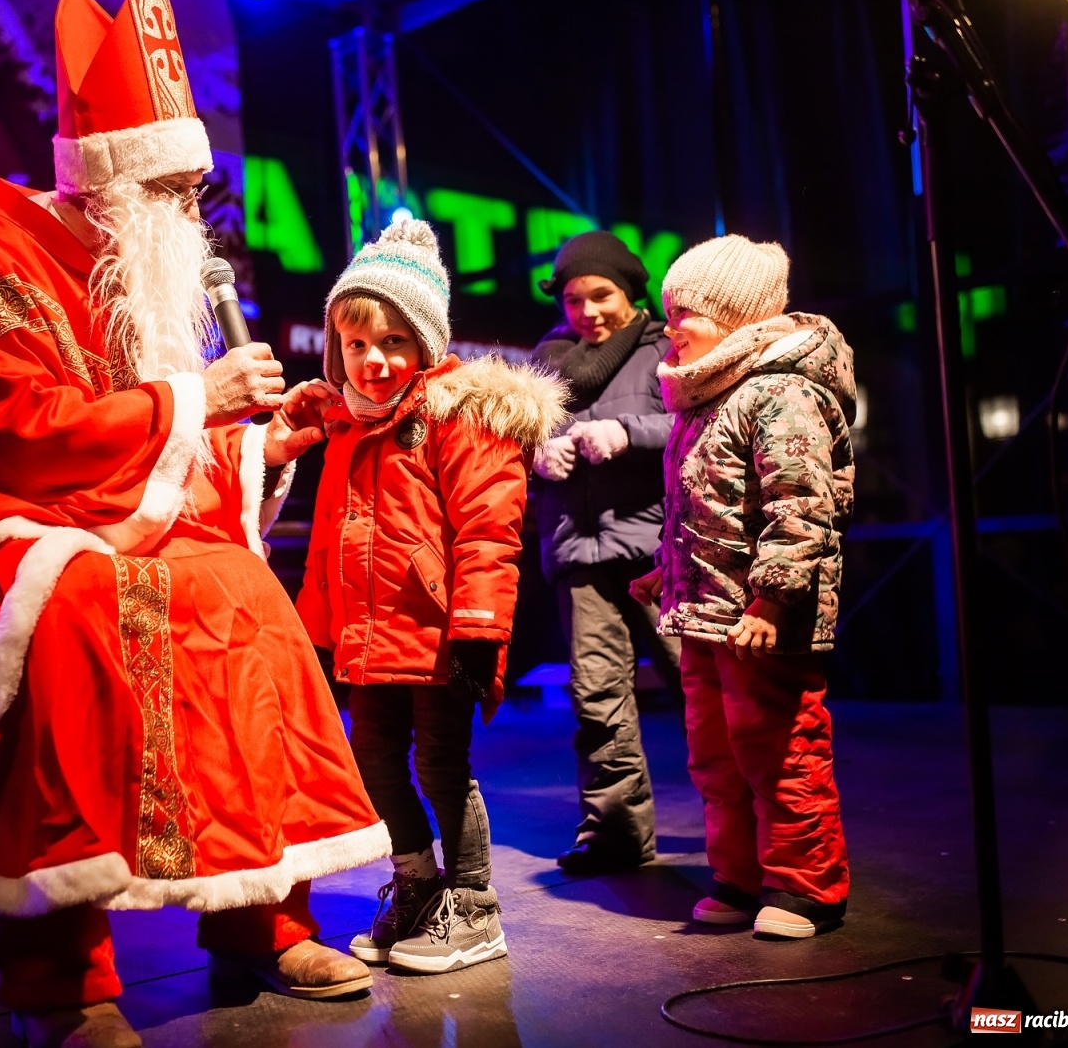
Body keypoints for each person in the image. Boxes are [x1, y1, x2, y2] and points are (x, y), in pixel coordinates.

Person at [0, 0, 389, 1045]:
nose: (189, 213)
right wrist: (191, 400)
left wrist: (256, 441)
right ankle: (59, 969)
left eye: (192, 189)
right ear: (111, 181)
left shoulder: (132, 276)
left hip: (97, 514)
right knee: (74, 611)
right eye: (170, 190)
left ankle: (261, 912)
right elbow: (14, 429)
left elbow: (153, 452)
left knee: (240, 591)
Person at [295, 218, 567, 974]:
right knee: (374, 759)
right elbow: (330, 547)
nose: (373, 361)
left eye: (391, 343)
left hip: (437, 634)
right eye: (356, 345)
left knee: (441, 764)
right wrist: (317, 635)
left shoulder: (459, 416)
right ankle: (416, 882)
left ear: (425, 342)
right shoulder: (349, 428)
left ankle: (475, 907)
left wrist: (480, 628)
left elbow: (488, 532)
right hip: (365, 638)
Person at [629, 234, 854, 939]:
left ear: (738, 319)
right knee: (715, 755)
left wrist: (773, 597)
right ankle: (739, 876)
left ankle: (807, 888)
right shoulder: (707, 399)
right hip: (708, 613)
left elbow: (802, 505)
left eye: (686, 313)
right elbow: (707, 510)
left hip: (763, 618)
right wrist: (667, 572)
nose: (671, 328)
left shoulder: (781, 392)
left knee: (779, 748)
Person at [529, 231, 682, 875]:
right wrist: (537, 451)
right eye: (573, 299)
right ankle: (616, 834)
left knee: (701, 685)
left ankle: (750, 823)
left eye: (602, 295)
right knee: (597, 700)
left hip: (659, 552)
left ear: (631, 291)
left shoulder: (666, 350)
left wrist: (627, 430)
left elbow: (695, 423)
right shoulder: (547, 361)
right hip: (580, 554)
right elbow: (510, 441)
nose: (587, 312)